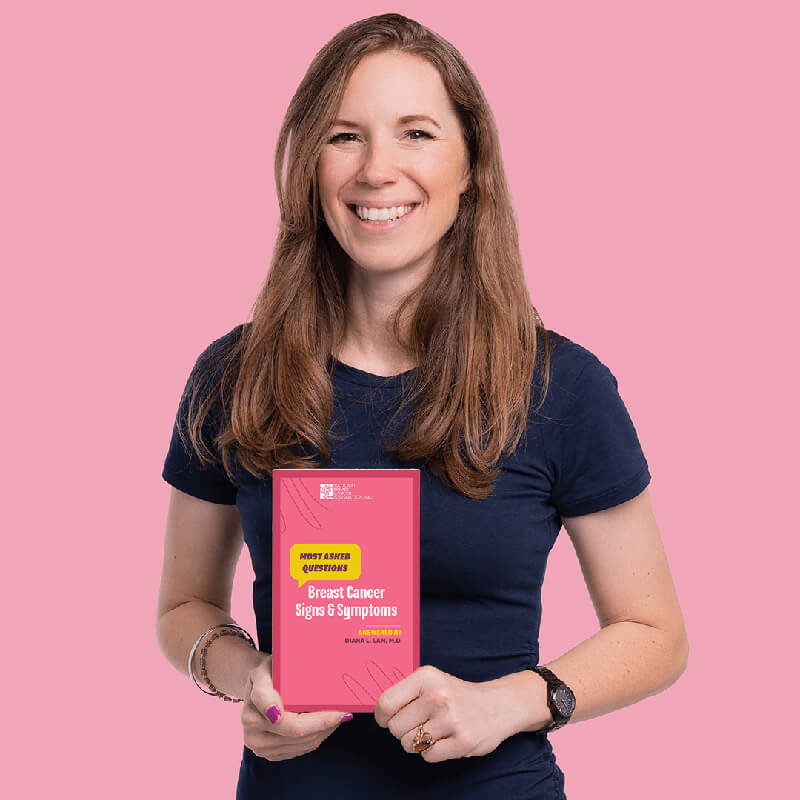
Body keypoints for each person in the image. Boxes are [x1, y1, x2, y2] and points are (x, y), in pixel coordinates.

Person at [156, 13, 688, 800]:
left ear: (470, 164)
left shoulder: (560, 385)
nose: (377, 169)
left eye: (416, 134)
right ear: (309, 164)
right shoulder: (233, 374)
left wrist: (510, 703)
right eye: (345, 136)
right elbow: (183, 605)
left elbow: (656, 634)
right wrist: (251, 677)